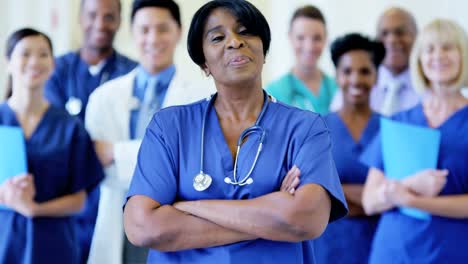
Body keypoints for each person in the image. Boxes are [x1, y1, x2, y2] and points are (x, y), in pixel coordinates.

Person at [123, 1, 347, 263]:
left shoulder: (305, 128)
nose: (234, 42)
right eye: (218, 37)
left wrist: (190, 207)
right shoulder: (169, 128)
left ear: (264, 50)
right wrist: (273, 213)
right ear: (204, 63)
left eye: (246, 32)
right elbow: (142, 227)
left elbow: (307, 219)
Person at [85, 1, 214, 263]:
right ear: (132, 32)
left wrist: (116, 153)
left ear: (179, 32)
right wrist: (165, 159)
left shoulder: (204, 98)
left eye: (162, 29)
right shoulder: (103, 97)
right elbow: (98, 165)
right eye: (144, 30)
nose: (153, 39)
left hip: (176, 224)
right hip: (118, 224)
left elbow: (192, 168)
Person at [362, 19, 468, 263]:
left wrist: (413, 201)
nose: (438, 56)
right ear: (419, 59)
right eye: (429, 49)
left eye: (447, 47)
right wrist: (410, 184)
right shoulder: (399, 122)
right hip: (393, 252)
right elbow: (370, 201)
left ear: (463, 55)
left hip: (451, 253)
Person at [0, 28, 104, 264]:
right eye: (25, 54)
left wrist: (35, 209)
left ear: (53, 64)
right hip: (4, 239)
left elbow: (80, 200)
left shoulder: (70, 128)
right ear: (9, 63)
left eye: (43, 54)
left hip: (53, 243)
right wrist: (8, 196)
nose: (35, 61)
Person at [44, 1, 137, 261]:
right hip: (65, 196)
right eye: (93, 15)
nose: (100, 24)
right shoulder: (56, 70)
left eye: (109, 17)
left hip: (114, 191)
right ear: (80, 18)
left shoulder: (132, 73)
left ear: (119, 21)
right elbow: (53, 132)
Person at [313, 33, 385, 264]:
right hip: (328, 247)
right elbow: (312, 195)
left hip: (380, 245)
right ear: (337, 76)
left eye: (365, 71)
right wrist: (373, 197)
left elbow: (399, 195)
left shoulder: (392, 129)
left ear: (376, 76)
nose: (356, 79)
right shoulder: (316, 129)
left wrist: (336, 193)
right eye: (347, 71)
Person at [331, 7, 420, 116]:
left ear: (417, 37)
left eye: (400, 32)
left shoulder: (429, 89)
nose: (391, 40)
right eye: (384, 33)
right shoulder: (351, 88)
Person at [266, 5, 338, 114]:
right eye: (301, 38)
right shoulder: (274, 93)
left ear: (326, 38)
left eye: (317, 38)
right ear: (290, 37)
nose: (309, 47)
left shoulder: (338, 89)